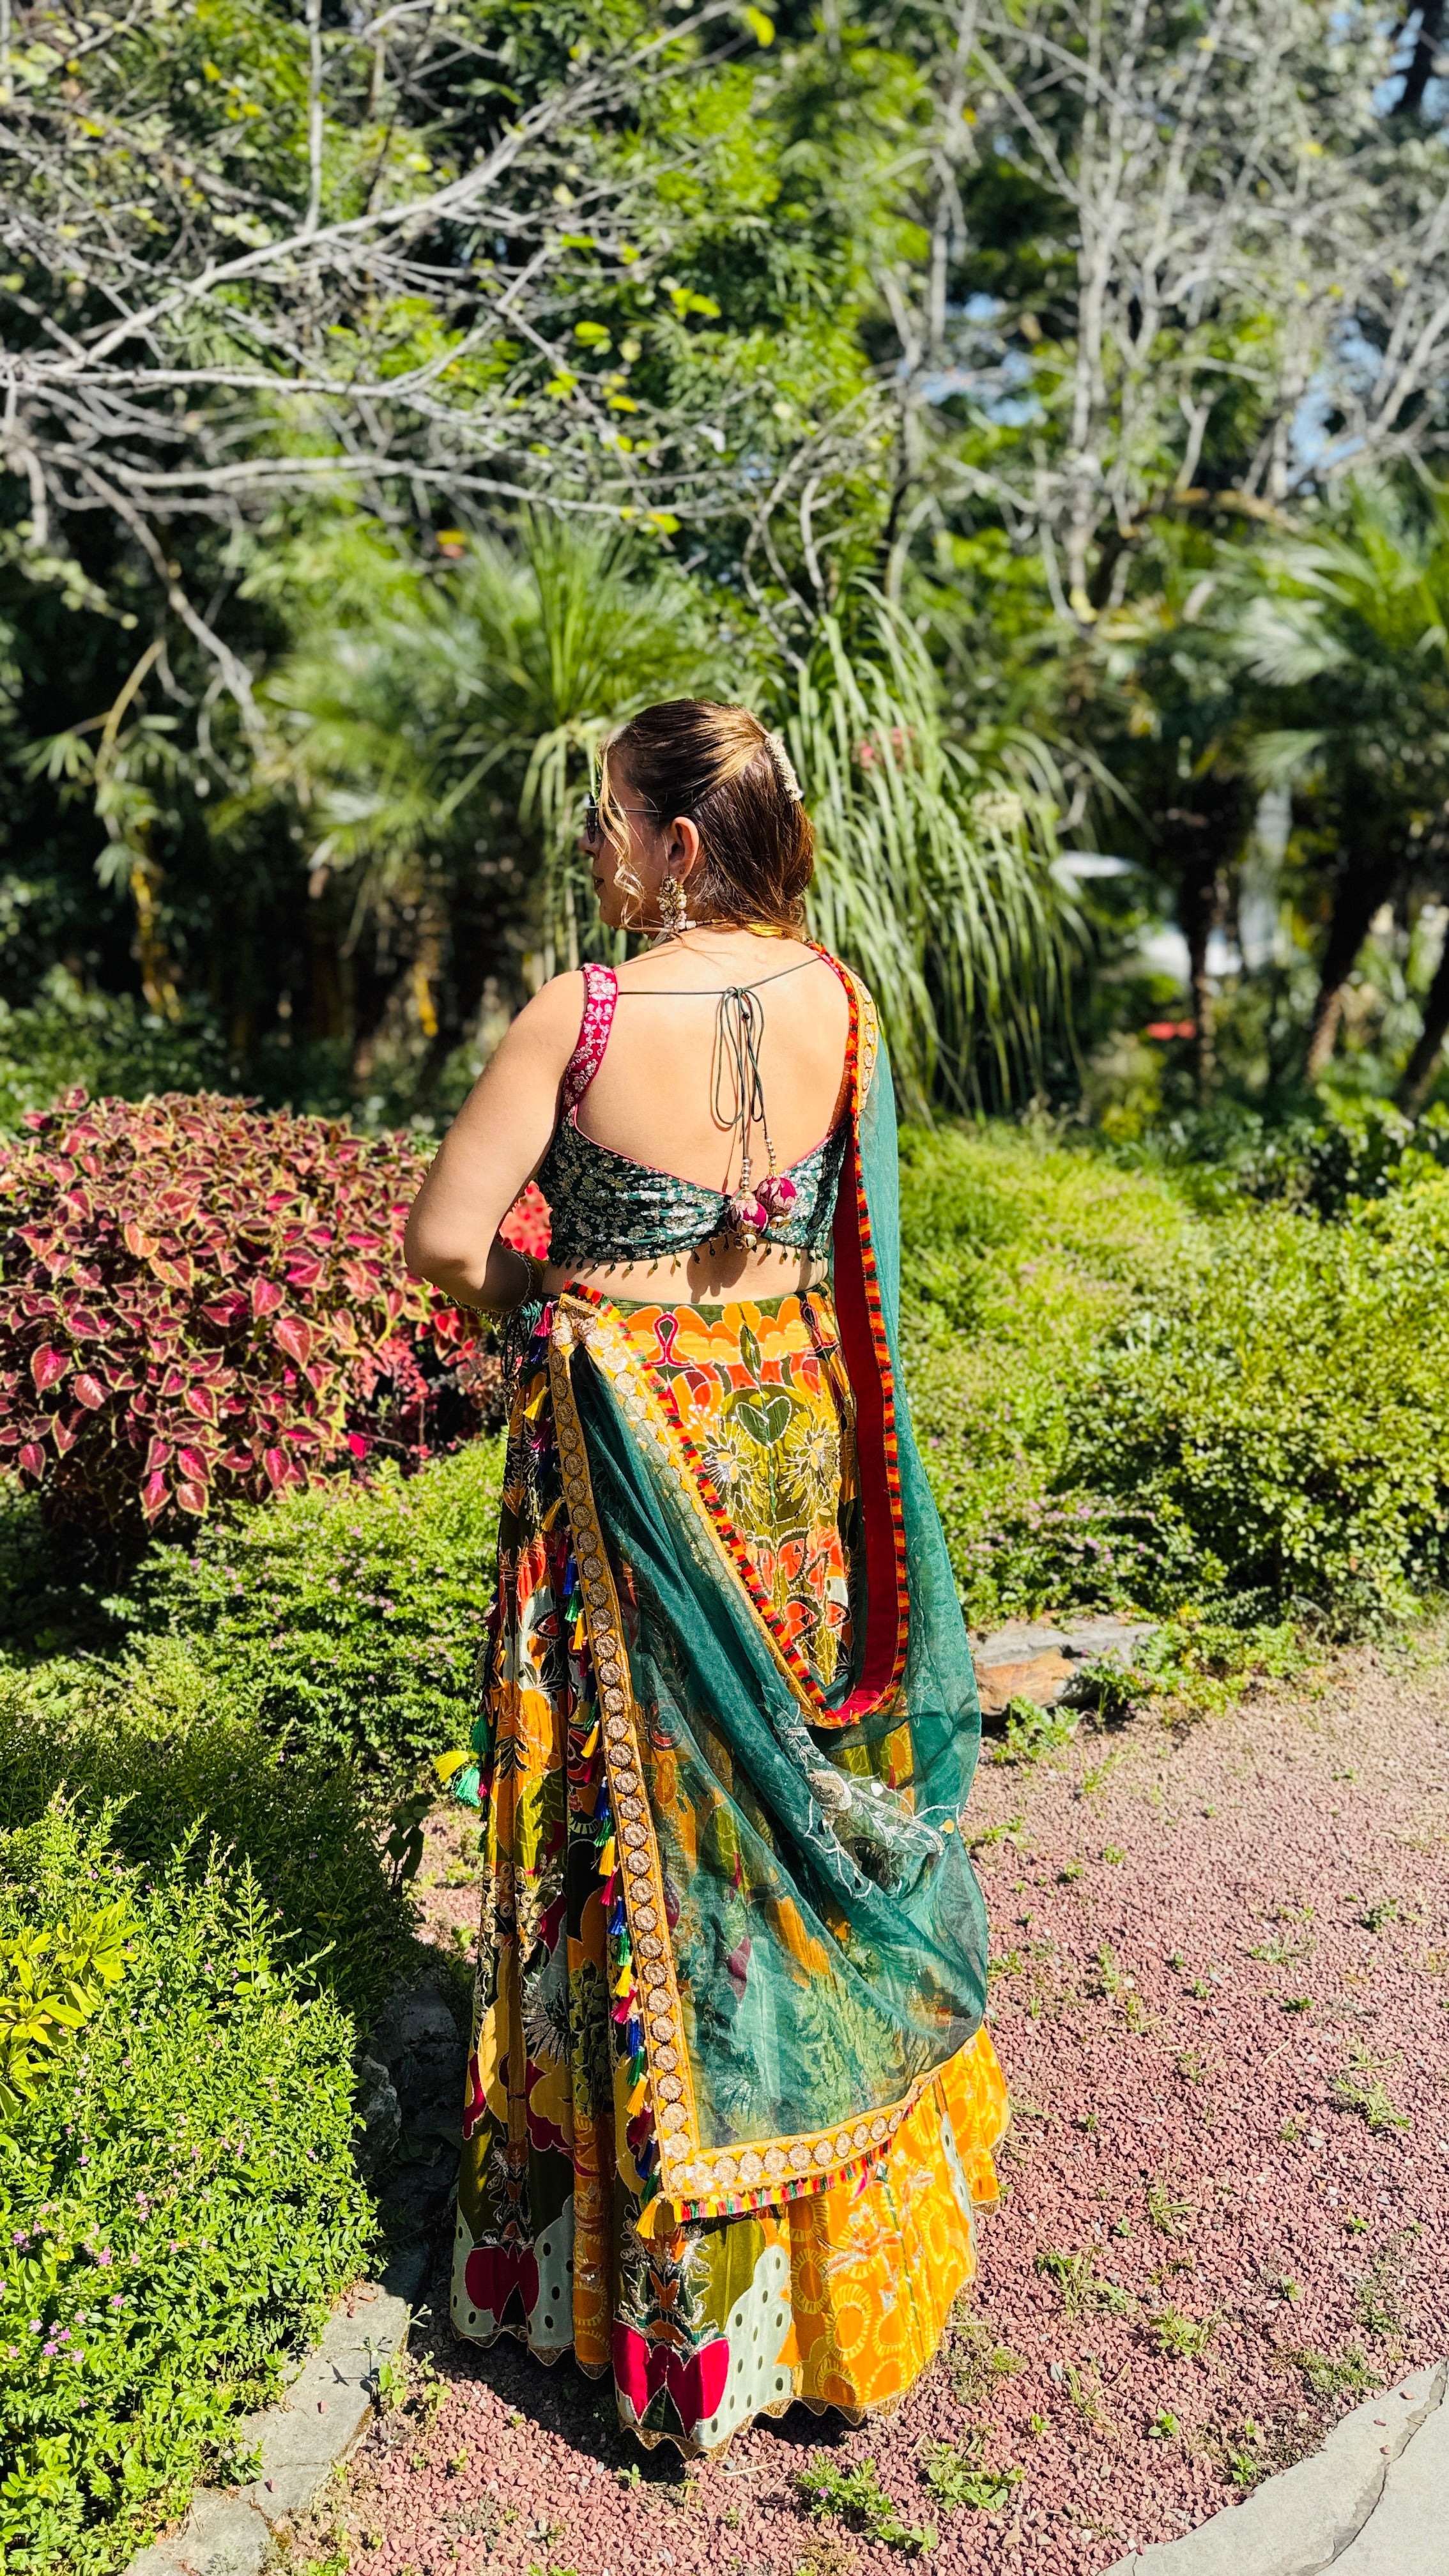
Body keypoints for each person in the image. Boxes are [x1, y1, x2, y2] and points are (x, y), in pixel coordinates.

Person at [404, 697, 1007, 2458]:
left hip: (629, 1474)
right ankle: (837, 2274)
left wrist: (560, 1314)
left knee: (639, 1850)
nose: (593, 845)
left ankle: (666, 2318)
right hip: (796, 1467)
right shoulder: (838, 998)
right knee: (791, 1831)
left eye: (609, 817)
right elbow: (848, 1248)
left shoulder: (577, 1015)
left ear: (679, 843)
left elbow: (445, 1243)